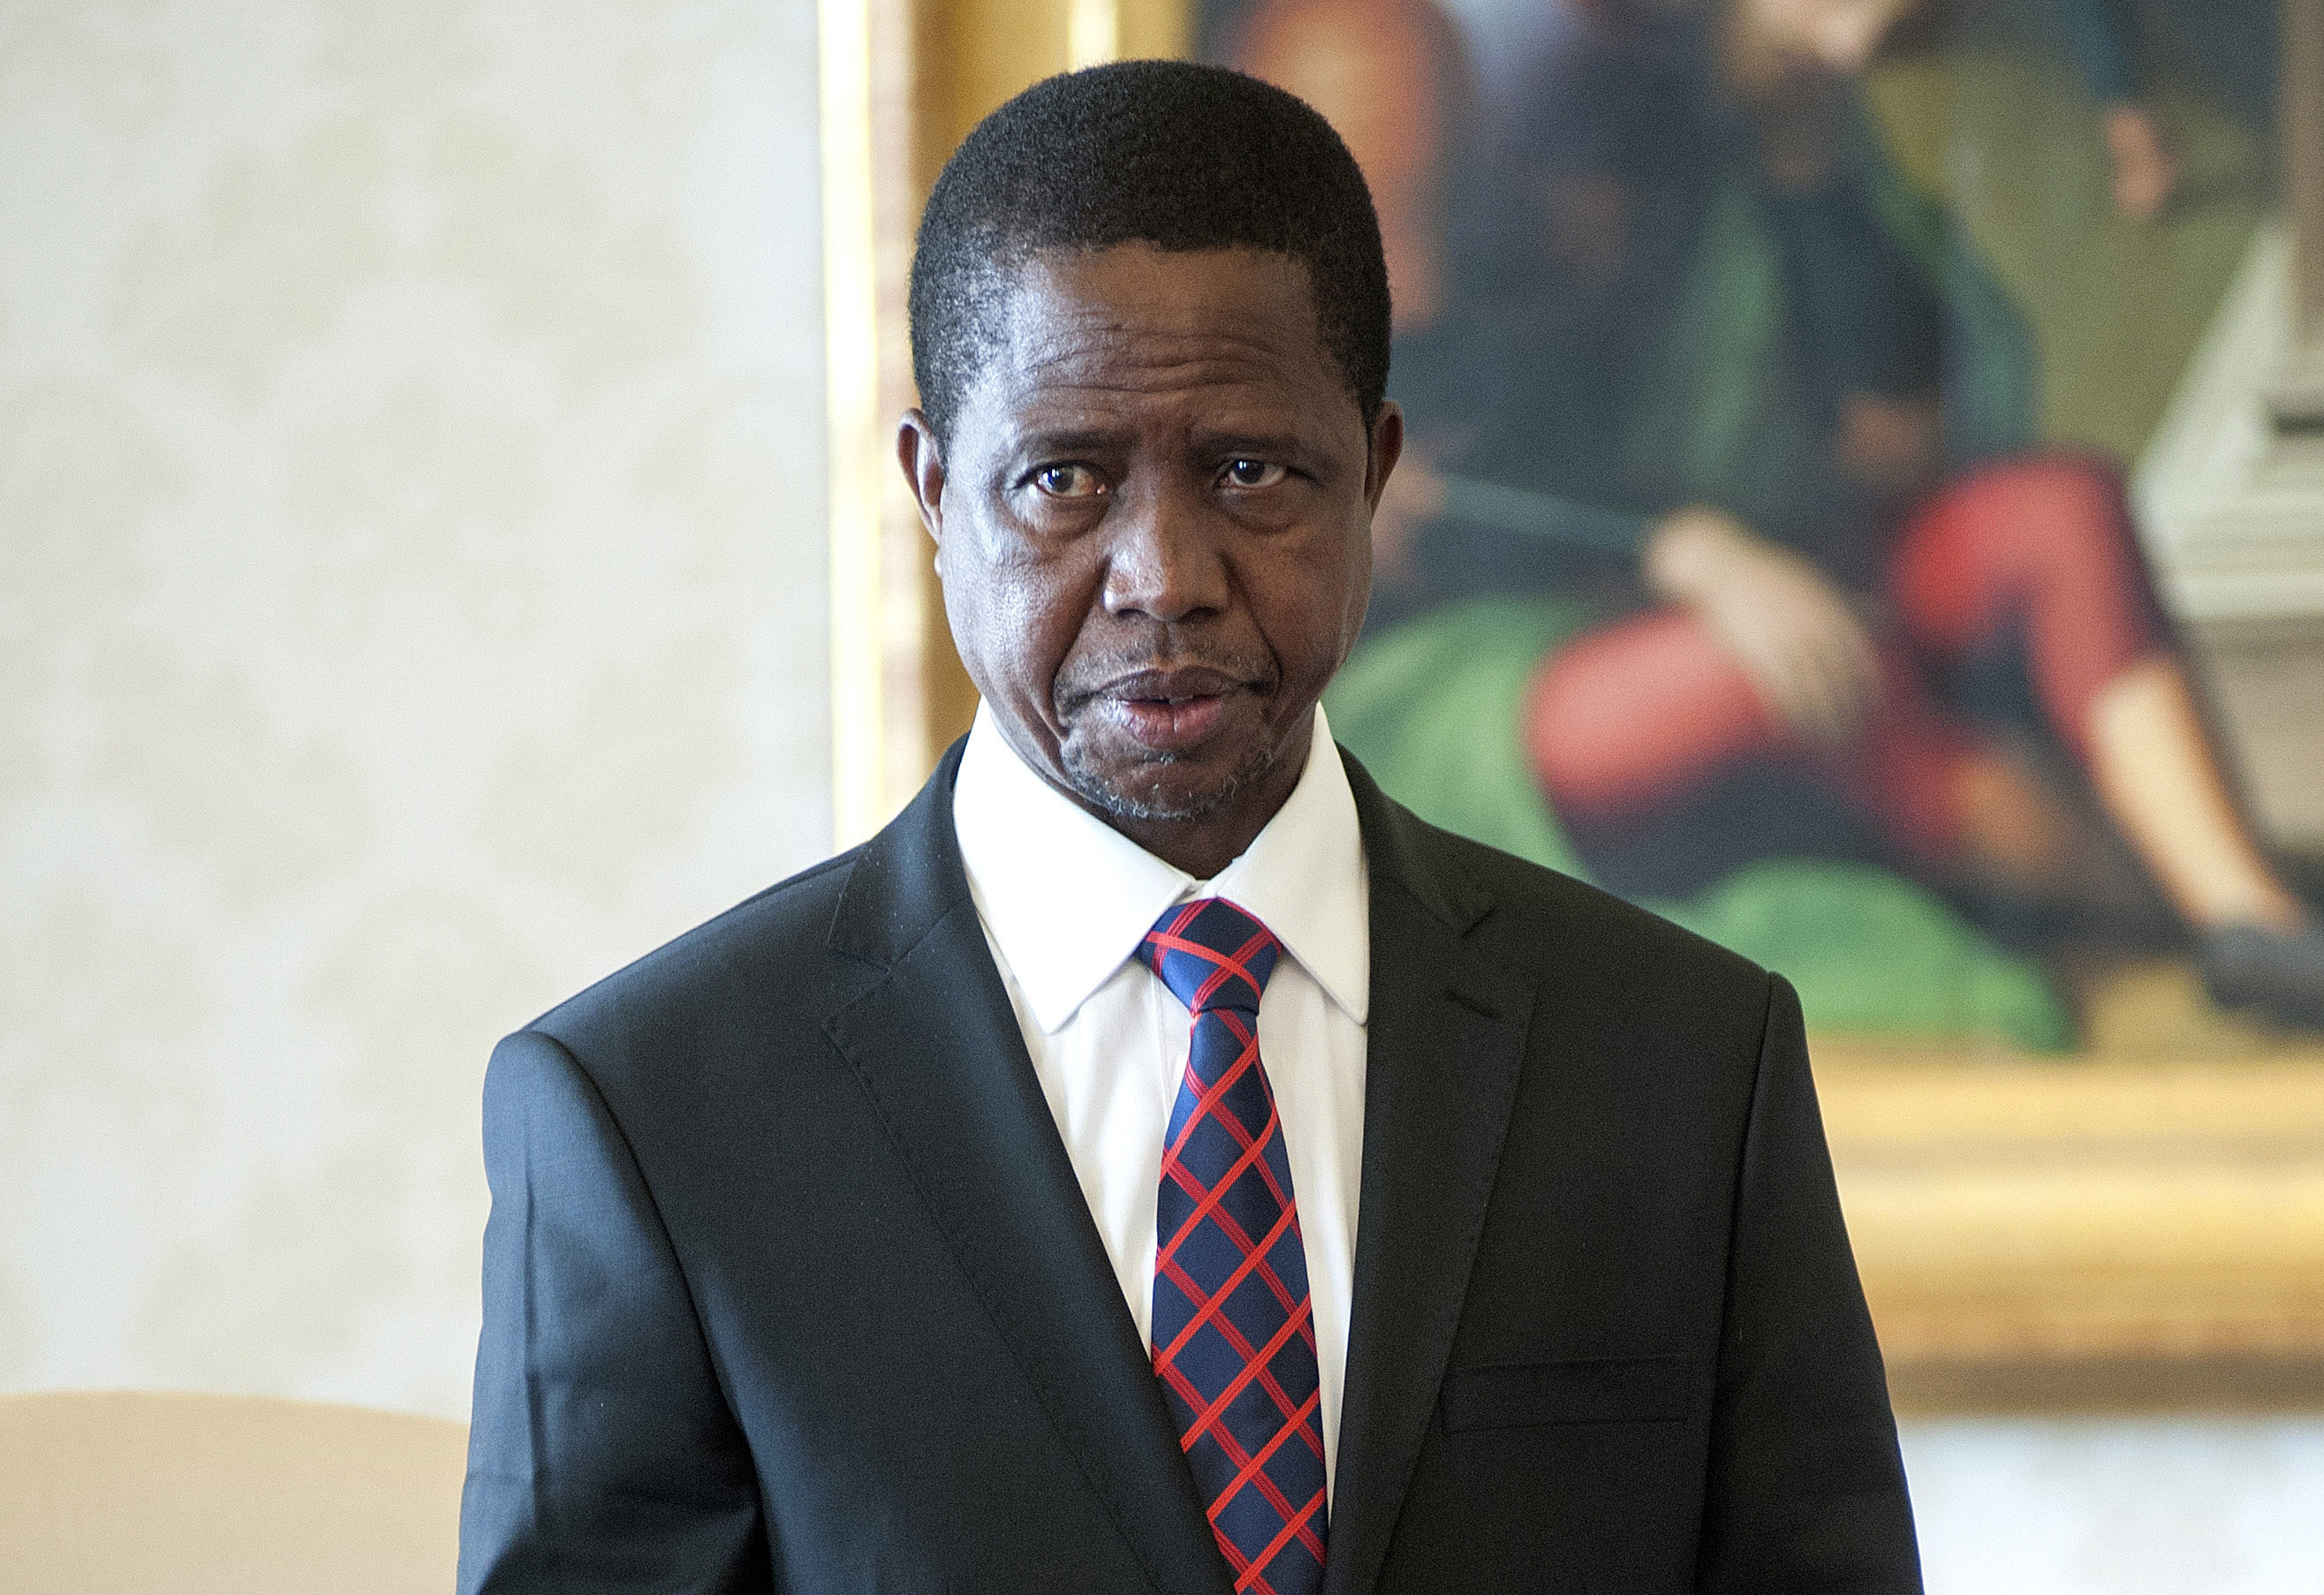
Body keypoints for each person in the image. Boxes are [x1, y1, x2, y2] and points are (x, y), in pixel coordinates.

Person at [457, 60, 1920, 1595]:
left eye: (1248, 470)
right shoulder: (650, 1115)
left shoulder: (1685, 1062)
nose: (1164, 574)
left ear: (1374, 476)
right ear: (934, 493)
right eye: (1062, 479)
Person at [1235, 0, 2324, 1038]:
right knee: (1809, 673)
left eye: (1885, 31)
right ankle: (2139, 903)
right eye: (1830, 11)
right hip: (1471, 655)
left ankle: (2246, 917)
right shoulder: (1519, 94)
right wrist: (1683, 549)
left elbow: (1895, 434)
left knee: (2054, 513)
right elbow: (1408, 472)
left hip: (1755, 569)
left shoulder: (1782, 125)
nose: (1850, 50)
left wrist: (1807, 175)